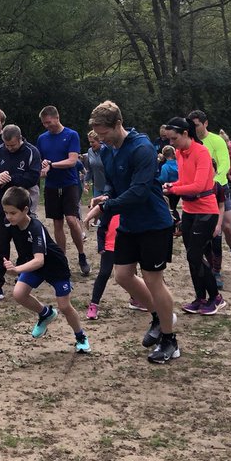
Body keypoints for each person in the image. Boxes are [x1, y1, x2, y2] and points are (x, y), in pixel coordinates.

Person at [84, 101, 178, 363]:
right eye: (97, 135)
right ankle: (159, 318)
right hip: (129, 223)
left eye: (103, 133)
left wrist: (105, 208)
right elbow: (114, 185)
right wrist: (104, 197)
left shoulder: (142, 148)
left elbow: (138, 191)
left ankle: (170, 341)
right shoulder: (108, 151)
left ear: (117, 124)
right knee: (123, 276)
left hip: (154, 223)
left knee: (152, 279)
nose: (100, 139)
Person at [3, 186, 90, 354]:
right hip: (34, 265)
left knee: (64, 306)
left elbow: (39, 260)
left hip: (54, 267)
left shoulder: (36, 228)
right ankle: (45, 313)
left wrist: (16, 270)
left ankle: (80, 336)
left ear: (25, 210)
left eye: (12, 213)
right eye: (6, 212)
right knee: (19, 293)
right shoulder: (11, 224)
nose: (8, 216)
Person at [162, 117, 224, 317]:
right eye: (168, 139)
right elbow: (185, 180)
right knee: (192, 256)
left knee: (195, 254)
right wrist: (173, 185)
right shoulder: (180, 152)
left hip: (206, 210)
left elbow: (199, 185)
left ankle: (215, 298)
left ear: (186, 134)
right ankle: (201, 298)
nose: (171, 143)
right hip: (189, 209)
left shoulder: (202, 152)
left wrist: (174, 189)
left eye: (174, 138)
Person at [0, 124, 43, 301]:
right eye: (7, 145)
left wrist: (9, 179)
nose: (10, 148)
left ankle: (24, 279)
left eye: (13, 145)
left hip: (22, 208)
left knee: (24, 245)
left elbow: (33, 177)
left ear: (20, 139)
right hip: (0, 206)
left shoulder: (32, 152)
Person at [187, 110, 231, 279]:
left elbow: (224, 165)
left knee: (226, 226)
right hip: (198, 193)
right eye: (191, 125)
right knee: (206, 231)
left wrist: (211, 182)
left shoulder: (216, 141)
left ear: (205, 124)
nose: (194, 128)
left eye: (197, 125)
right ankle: (214, 267)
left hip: (218, 188)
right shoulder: (189, 142)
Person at [37, 106, 89, 276]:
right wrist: (43, 168)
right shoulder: (42, 139)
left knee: (72, 220)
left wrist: (52, 165)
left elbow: (72, 161)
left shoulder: (71, 135)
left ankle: (81, 255)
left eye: (49, 122)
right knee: (57, 223)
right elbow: (41, 161)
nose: (47, 126)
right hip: (52, 185)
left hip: (69, 183)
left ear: (56, 118)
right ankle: (62, 260)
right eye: (44, 123)